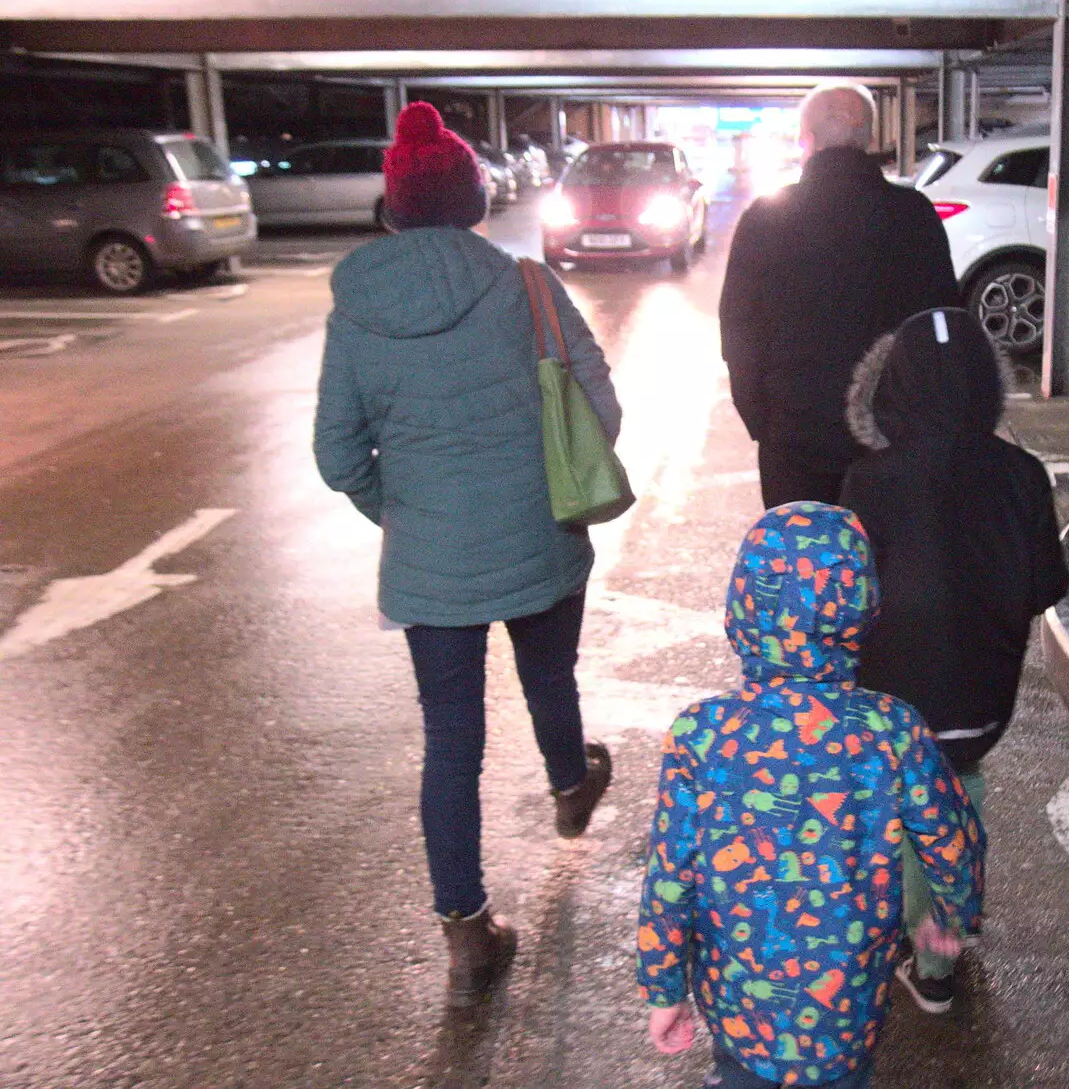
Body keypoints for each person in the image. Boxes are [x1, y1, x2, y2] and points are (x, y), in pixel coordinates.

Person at [313, 101, 618, 1006]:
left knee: (451, 743)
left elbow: (337, 456)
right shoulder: (527, 286)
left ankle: (466, 934)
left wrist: (405, 511)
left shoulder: (356, 310)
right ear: (474, 201)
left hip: (428, 565)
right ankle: (571, 784)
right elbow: (599, 410)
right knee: (549, 678)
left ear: (394, 207)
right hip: (539, 537)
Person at [637, 502, 984, 1088]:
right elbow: (951, 839)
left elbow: (670, 872)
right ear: (862, 605)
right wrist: (950, 916)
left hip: (738, 1001)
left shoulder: (701, 734)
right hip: (846, 1006)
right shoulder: (892, 730)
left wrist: (664, 987)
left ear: (742, 604)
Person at [840, 307, 1069, 1014]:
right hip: (982, 700)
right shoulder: (1023, 474)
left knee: (909, 806)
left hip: (892, 699)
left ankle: (930, 949)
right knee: (958, 790)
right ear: (985, 388)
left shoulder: (866, 481)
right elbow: (1047, 586)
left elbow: (847, 598)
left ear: (890, 390)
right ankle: (951, 915)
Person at [720, 83, 960, 509]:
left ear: (805, 139)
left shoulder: (765, 218)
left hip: (794, 443)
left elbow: (738, 329)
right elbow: (944, 327)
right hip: (891, 439)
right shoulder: (914, 215)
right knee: (886, 565)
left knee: (807, 566)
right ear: (868, 139)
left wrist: (763, 423)